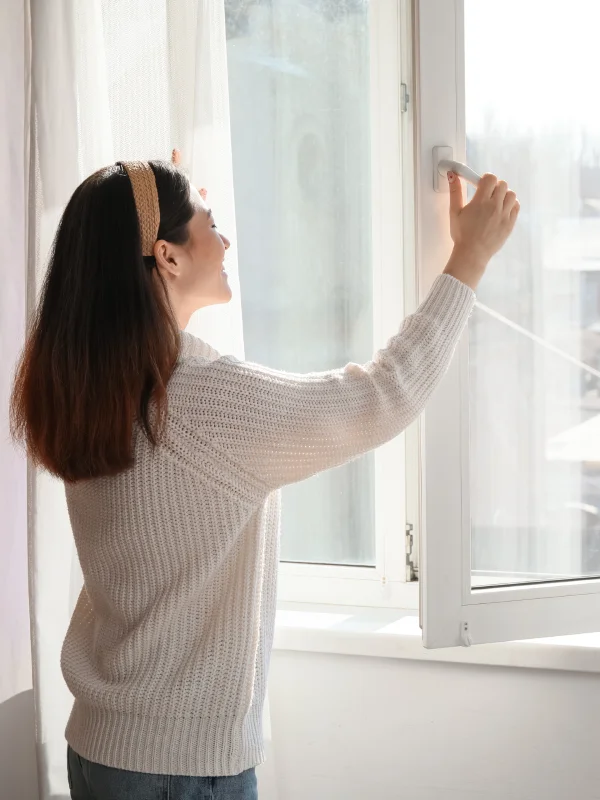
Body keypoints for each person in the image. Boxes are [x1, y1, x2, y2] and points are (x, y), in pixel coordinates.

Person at [10, 151, 519, 800]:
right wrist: (468, 260)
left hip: (102, 750)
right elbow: (382, 396)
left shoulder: (90, 390)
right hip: (178, 773)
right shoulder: (197, 400)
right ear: (166, 256)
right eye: (211, 222)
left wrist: (164, 198)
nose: (225, 240)